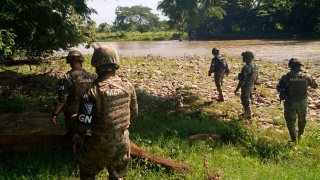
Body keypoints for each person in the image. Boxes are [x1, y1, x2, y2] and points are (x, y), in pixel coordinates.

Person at [74, 45, 138, 180]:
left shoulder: (92, 91)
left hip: (98, 142)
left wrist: (77, 131)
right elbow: (134, 113)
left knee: (87, 174)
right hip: (123, 140)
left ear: (96, 65)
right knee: (119, 176)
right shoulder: (128, 86)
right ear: (116, 63)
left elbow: (83, 125)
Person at [50, 50, 95, 135]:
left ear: (70, 62)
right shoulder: (92, 76)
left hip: (73, 113)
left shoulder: (66, 78)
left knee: (73, 133)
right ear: (81, 61)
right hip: (90, 112)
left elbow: (62, 99)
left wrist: (55, 114)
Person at [277, 58, 318, 144]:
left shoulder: (286, 77)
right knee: (302, 119)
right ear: (299, 66)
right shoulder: (306, 76)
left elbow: (278, 88)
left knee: (291, 121)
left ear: (290, 66)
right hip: (302, 101)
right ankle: (300, 136)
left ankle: (293, 140)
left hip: (290, 102)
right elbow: (315, 86)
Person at [234, 51, 258, 119]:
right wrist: (254, 85)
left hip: (246, 86)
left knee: (244, 100)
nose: (243, 58)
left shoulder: (246, 67)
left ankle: (248, 114)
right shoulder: (255, 65)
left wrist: (237, 89)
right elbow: (256, 77)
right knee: (247, 99)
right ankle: (247, 113)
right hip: (251, 85)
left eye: (244, 57)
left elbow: (242, 80)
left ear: (248, 57)